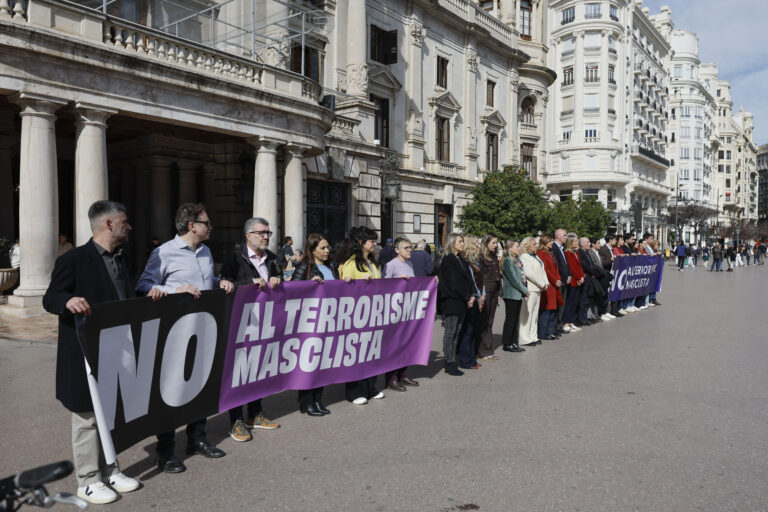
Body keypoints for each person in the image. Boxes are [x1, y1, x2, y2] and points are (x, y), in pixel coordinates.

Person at [43, 201, 142, 504]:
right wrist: (67, 302)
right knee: (87, 417)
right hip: (82, 353)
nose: (129, 226)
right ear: (108, 224)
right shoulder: (74, 259)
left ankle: (110, 469)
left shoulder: (123, 259)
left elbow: (128, 297)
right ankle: (88, 480)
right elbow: (51, 298)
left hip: (115, 350)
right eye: (124, 221)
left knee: (110, 415)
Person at [136, 203, 234, 473]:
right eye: (206, 223)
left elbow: (206, 280)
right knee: (171, 390)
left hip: (204, 329)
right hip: (174, 333)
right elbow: (144, 285)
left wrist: (219, 282)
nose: (210, 227)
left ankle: (197, 439)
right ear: (192, 226)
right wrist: (174, 289)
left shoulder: (206, 251)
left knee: (200, 386)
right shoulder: (163, 252)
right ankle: (165, 451)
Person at [220, 217, 282, 440]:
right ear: (248, 236)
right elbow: (223, 287)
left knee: (259, 369)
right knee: (238, 371)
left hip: (265, 323)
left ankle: (254, 414)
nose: (266, 236)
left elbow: (281, 283)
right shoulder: (234, 259)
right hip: (241, 324)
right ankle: (235, 420)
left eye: (268, 233)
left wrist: (277, 278)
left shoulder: (273, 259)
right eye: (261, 233)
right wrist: (246, 286)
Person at [336, 226, 386, 402]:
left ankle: (370, 387)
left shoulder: (373, 262)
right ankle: (355, 391)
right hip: (357, 316)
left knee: (371, 353)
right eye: (371, 240)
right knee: (356, 354)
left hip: (373, 314)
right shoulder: (351, 263)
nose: (375, 243)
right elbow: (346, 289)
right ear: (361, 243)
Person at [292, 233, 338, 416]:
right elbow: (293, 288)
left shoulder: (331, 267)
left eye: (328, 248)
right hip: (310, 323)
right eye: (323, 248)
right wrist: (308, 284)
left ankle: (318, 399)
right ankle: (306, 402)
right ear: (312, 250)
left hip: (329, 320)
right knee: (308, 362)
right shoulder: (305, 266)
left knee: (322, 363)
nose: (327, 251)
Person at [382, 236, 421, 390]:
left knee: (406, 344)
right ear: (397, 250)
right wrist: (396, 280)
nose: (409, 250)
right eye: (406, 248)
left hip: (408, 310)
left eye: (410, 247)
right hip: (394, 312)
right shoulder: (391, 265)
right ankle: (391, 378)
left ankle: (403, 375)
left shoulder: (410, 263)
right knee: (394, 345)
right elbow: (383, 286)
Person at [437, 233, 474, 374]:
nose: (462, 244)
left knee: (457, 332)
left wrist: (471, 295)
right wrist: (466, 296)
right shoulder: (447, 260)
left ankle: (452, 359)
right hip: (451, 301)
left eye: (463, 241)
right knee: (450, 332)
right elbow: (453, 283)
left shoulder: (461, 260)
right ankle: (449, 363)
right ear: (452, 243)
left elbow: (469, 280)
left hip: (462, 301)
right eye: (460, 241)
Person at [475, 234, 502, 361]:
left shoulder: (494, 257)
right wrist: (482, 294)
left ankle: (488, 349)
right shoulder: (481, 257)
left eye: (496, 243)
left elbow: (498, 275)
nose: (496, 245)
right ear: (486, 244)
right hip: (486, 290)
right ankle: (483, 351)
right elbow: (481, 277)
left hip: (495, 290)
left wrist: (500, 292)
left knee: (490, 321)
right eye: (494, 243)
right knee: (484, 321)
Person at [519, 236, 547, 346]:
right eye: (534, 244)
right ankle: (524, 338)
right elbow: (529, 273)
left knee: (535, 314)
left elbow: (542, 270)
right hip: (531, 288)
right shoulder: (524, 257)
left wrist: (546, 282)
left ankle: (533, 336)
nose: (536, 246)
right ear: (527, 245)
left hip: (538, 288)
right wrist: (542, 283)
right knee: (527, 314)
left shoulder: (536, 256)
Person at [501, 240, 527, 352]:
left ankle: (514, 342)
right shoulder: (507, 261)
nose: (519, 249)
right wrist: (525, 290)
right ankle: (507, 343)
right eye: (517, 246)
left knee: (516, 320)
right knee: (510, 319)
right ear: (510, 248)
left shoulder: (517, 260)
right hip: (511, 294)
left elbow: (522, 276)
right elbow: (514, 280)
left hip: (518, 294)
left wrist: (523, 290)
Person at [537, 234, 564, 340]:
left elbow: (555, 268)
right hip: (548, 285)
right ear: (544, 242)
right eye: (549, 241)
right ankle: (543, 333)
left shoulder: (550, 253)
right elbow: (546, 270)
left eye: (552, 241)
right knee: (546, 310)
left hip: (555, 285)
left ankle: (551, 331)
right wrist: (554, 280)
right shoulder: (541, 253)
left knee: (553, 309)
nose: (552, 243)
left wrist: (558, 279)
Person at [551, 228, 572, 335]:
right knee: (558, 305)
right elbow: (557, 266)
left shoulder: (561, 248)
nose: (566, 237)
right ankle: (555, 327)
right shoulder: (554, 248)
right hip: (559, 280)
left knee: (562, 305)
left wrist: (569, 275)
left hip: (565, 280)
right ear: (558, 236)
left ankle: (559, 325)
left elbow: (565, 264)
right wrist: (563, 277)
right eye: (564, 235)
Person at [563, 234, 584, 332]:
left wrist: (582, 276)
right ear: (570, 243)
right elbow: (572, 268)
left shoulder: (576, 253)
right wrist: (578, 277)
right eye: (575, 241)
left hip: (578, 280)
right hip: (573, 281)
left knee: (575, 302)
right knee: (570, 303)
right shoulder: (568, 253)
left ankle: (571, 322)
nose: (577, 243)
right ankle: (566, 323)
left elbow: (579, 267)